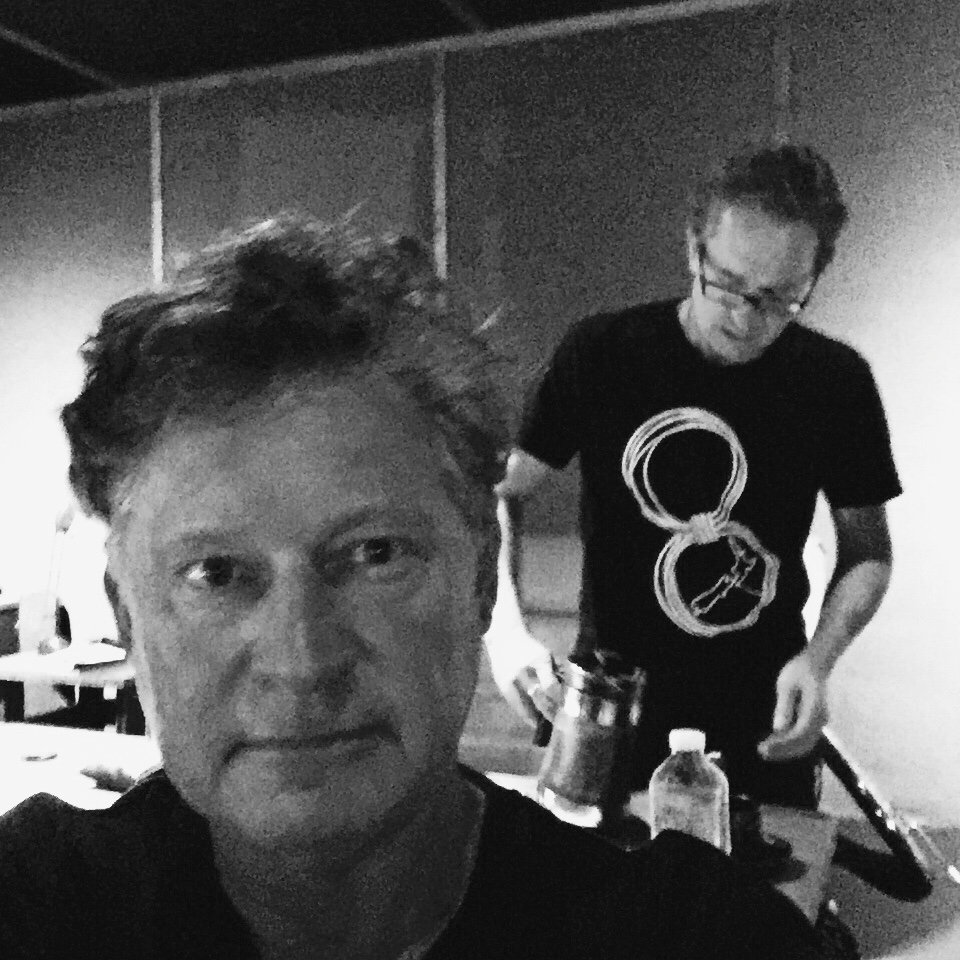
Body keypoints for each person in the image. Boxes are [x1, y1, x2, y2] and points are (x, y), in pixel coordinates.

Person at [0, 216, 827, 959]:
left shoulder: (696, 938)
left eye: (374, 554)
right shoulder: (38, 906)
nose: (302, 662)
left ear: (479, 579)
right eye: (214, 573)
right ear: (127, 617)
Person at [485, 143, 901, 809]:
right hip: (609, 709)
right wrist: (505, 632)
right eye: (727, 284)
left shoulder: (835, 381)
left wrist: (818, 660)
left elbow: (868, 553)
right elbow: (499, 491)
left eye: (779, 298)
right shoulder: (604, 353)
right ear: (692, 249)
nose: (744, 316)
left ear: (814, 278)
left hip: (761, 716)